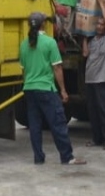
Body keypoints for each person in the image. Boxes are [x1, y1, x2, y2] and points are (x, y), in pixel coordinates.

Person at [19, 11, 87, 166]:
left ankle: (38, 158)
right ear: (44, 24)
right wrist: (63, 90)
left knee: (35, 125)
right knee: (57, 122)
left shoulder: (24, 44)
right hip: (46, 89)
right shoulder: (50, 43)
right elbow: (57, 68)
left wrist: (29, 83)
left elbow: (23, 71)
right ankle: (67, 157)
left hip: (29, 88)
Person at [80, 8, 105, 150]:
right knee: (93, 110)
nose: (100, 27)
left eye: (102, 25)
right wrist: (84, 36)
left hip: (102, 80)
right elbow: (85, 54)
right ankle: (97, 139)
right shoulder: (92, 41)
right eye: (98, 24)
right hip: (90, 80)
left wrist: (102, 4)